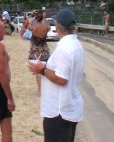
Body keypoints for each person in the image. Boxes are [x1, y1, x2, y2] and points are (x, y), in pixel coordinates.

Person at [29, 9, 84, 142]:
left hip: (59, 112)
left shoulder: (65, 48)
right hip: (68, 108)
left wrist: (41, 70)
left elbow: (61, 79)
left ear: (59, 26)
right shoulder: (76, 45)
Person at [28, 12, 51, 95]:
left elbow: (28, 25)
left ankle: (40, 90)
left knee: (37, 70)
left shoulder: (34, 27)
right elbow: (49, 28)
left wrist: (33, 18)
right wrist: (44, 18)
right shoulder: (46, 26)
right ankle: (45, 89)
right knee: (44, 68)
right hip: (44, 47)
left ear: (36, 18)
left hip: (35, 48)